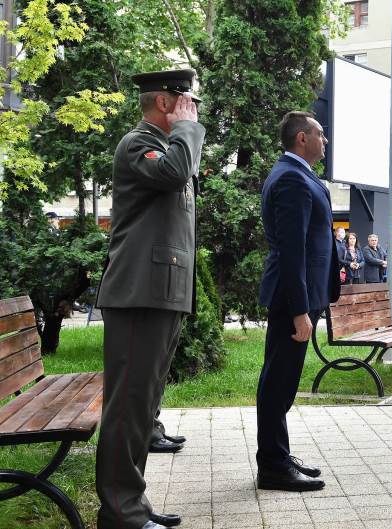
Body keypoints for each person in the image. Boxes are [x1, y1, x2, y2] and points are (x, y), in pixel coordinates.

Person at [94, 68, 204, 529]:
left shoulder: (167, 144)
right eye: (186, 101)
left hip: (160, 292)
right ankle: (120, 511)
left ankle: (131, 502)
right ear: (165, 102)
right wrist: (186, 129)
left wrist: (184, 133)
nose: (193, 109)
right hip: (139, 292)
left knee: (143, 406)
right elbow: (176, 172)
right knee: (128, 407)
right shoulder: (138, 143)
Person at [257, 111, 339, 492]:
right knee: (278, 381)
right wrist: (300, 311)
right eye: (320, 134)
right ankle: (272, 465)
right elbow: (292, 251)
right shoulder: (291, 177)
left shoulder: (300, 174)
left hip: (301, 296)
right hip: (294, 299)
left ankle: (278, 455)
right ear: (302, 138)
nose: (325, 139)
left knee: (283, 380)